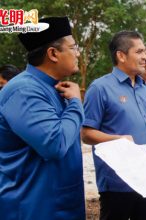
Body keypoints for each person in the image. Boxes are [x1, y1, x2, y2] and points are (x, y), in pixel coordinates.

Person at [81, 30, 146, 220]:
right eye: (139, 52)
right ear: (121, 55)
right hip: (117, 181)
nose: (145, 57)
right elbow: (86, 134)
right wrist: (117, 139)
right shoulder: (100, 88)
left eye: (144, 52)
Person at [0, 17, 85, 219]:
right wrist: (75, 104)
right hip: (33, 207)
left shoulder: (56, 88)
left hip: (60, 203)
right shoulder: (24, 91)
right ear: (53, 54)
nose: (78, 53)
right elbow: (54, 144)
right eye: (73, 48)